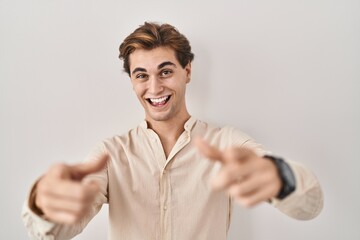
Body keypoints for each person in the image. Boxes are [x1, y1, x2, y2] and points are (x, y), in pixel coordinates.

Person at [22, 22, 323, 240]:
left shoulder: (227, 143)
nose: (155, 88)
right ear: (132, 82)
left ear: (187, 71)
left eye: (165, 71)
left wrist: (281, 177)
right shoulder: (111, 154)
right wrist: (42, 202)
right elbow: (52, 234)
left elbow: (310, 206)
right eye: (142, 75)